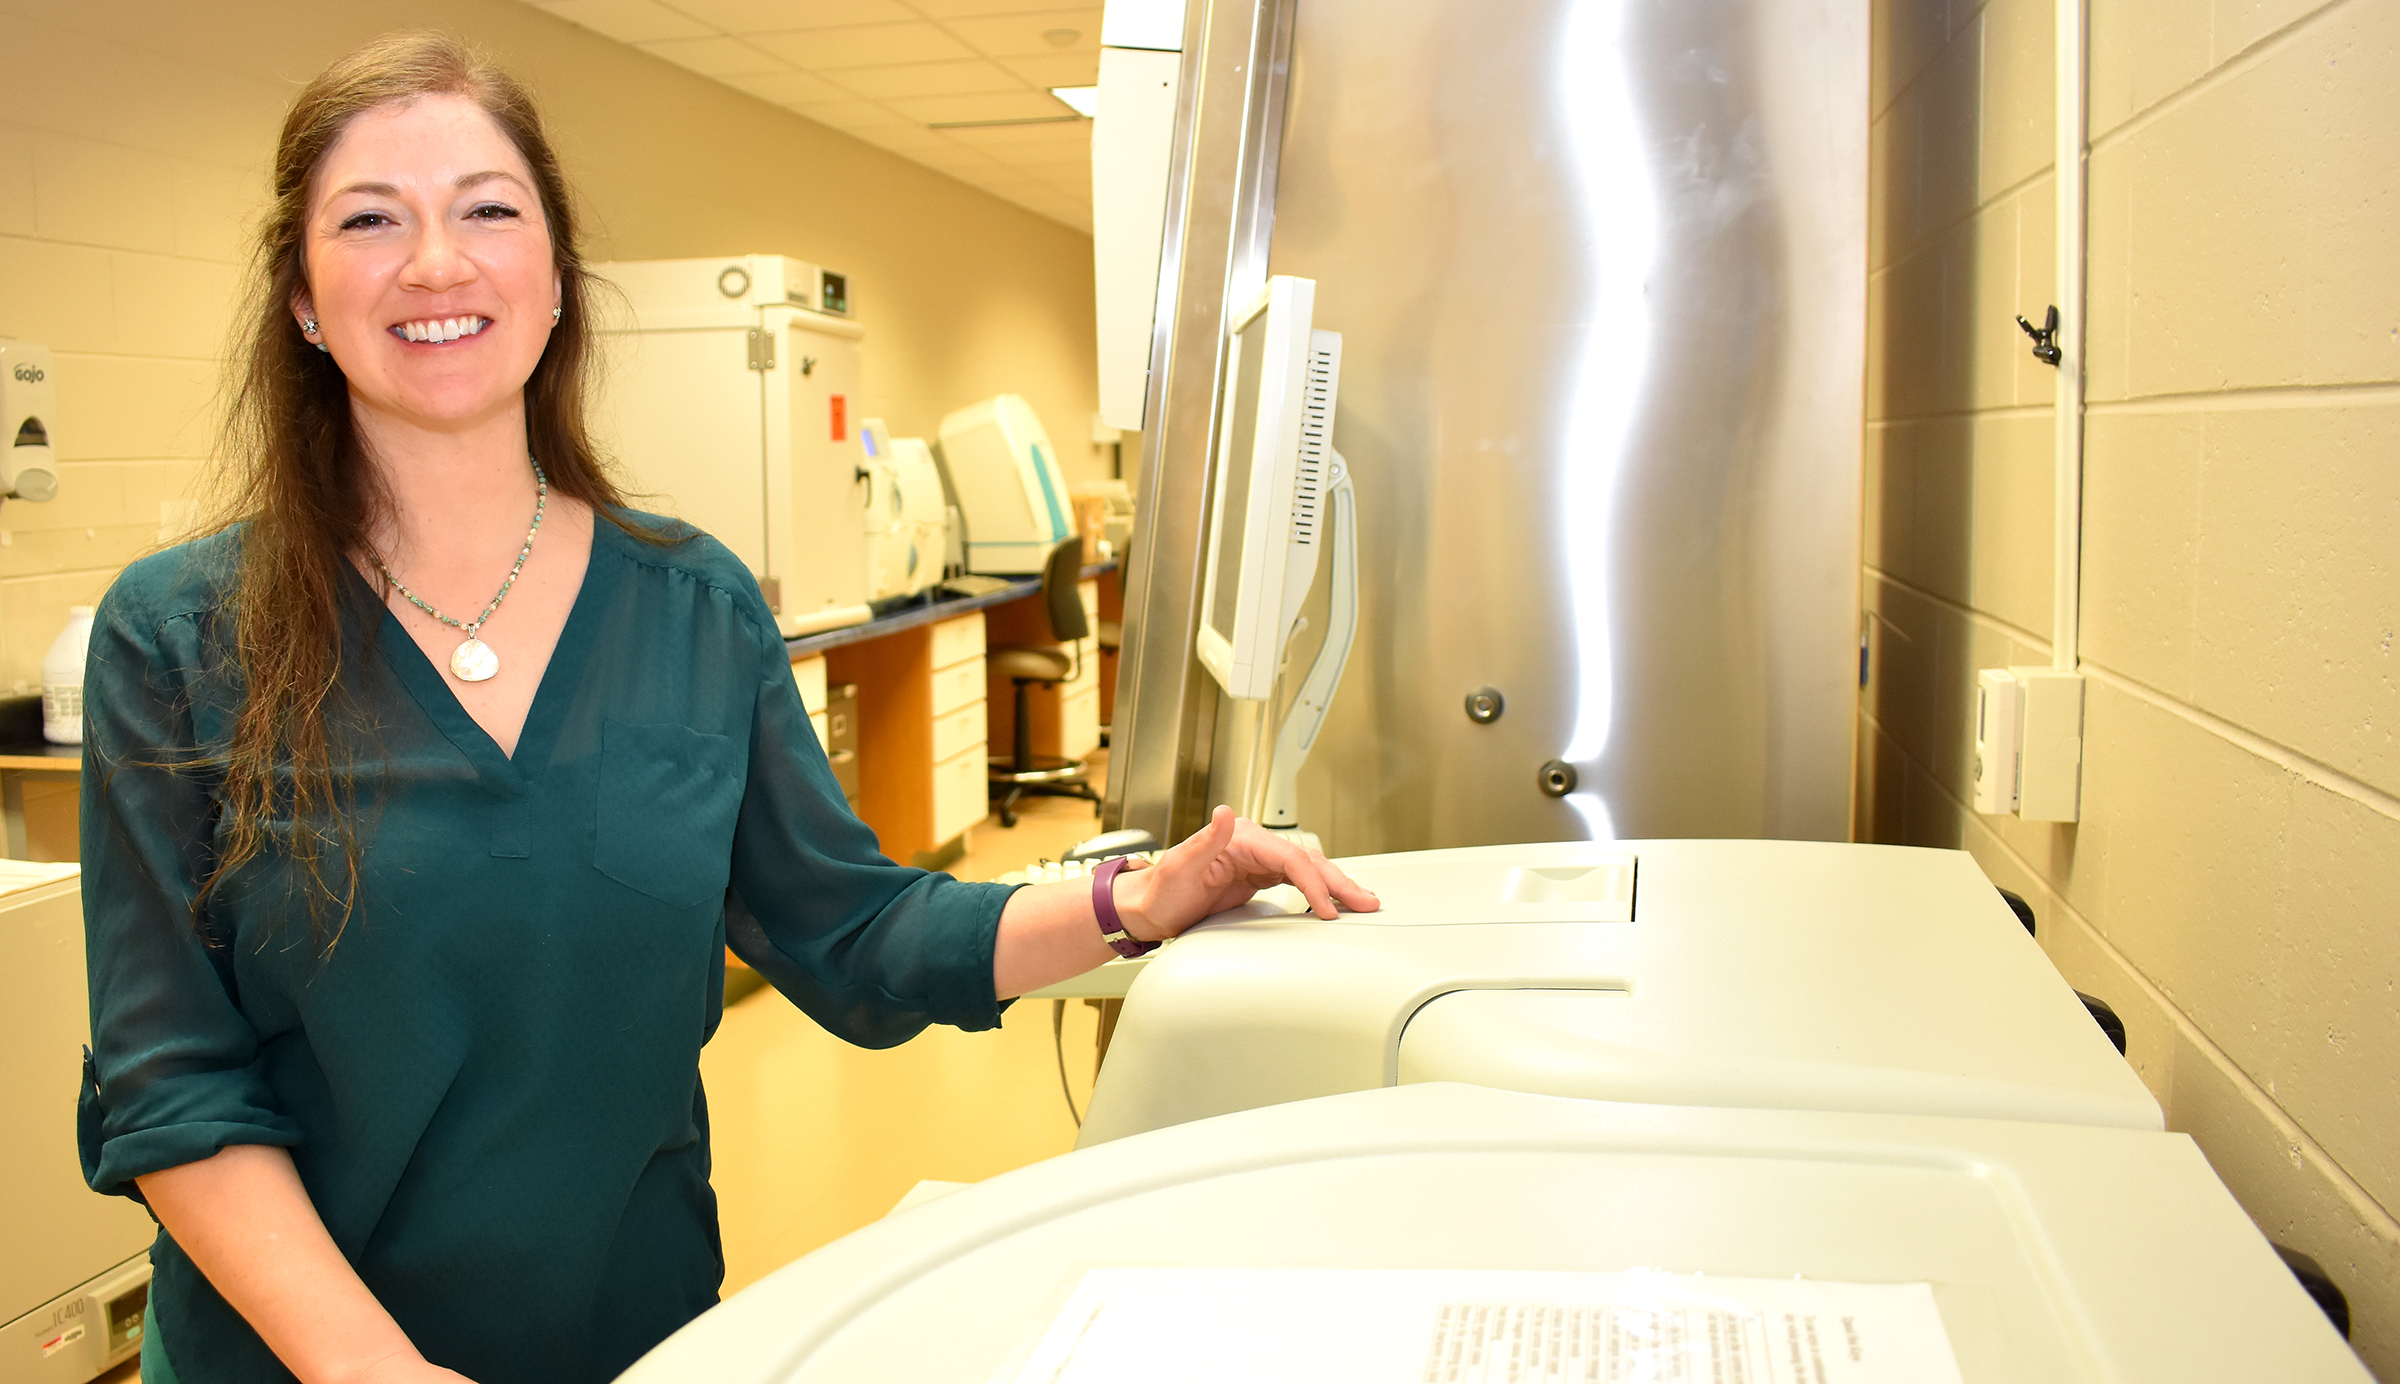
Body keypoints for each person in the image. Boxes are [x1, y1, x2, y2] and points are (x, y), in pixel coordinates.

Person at [78, 32, 1377, 1384]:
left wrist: (1136, 902)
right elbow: (168, 1082)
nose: (436, 263)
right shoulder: (181, 639)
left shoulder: (688, 606)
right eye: (369, 221)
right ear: (300, 296)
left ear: (557, 274)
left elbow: (854, 927)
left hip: (633, 1338)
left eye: (486, 209)